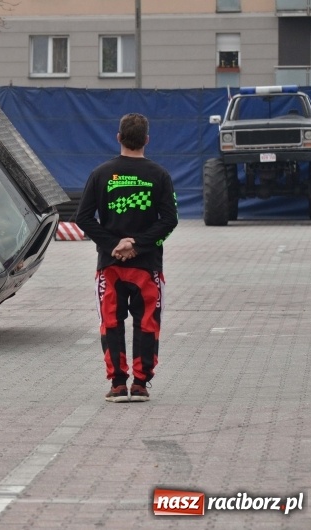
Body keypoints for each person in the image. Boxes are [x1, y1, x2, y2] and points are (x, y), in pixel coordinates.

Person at [75, 113, 178, 404]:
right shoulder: (160, 175)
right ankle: (141, 384)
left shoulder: (100, 173)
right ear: (147, 139)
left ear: (118, 138)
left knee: (111, 322)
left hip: (110, 266)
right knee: (147, 323)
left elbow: (83, 217)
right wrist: (138, 244)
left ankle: (118, 385)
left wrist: (113, 245)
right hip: (147, 266)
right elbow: (170, 220)